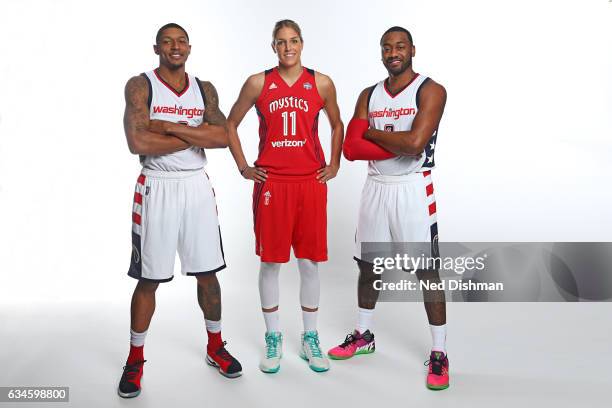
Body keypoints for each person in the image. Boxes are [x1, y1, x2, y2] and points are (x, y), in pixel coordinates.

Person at [118, 23, 242, 398]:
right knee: (149, 278)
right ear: (156, 47)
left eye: (181, 41)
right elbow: (137, 140)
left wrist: (167, 127)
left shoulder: (204, 89)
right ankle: (135, 358)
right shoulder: (141, 85)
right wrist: (193, 132)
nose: (175, 46)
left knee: (208, 274)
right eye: (168, 41)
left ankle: (215, 346)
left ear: (189, 47)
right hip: (157, 187)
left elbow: (223, 137)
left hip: (196, 187)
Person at [328, 26, 449, 390]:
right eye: (386, 47)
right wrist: (395, 142)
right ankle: (364, 335)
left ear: (412, 49)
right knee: (368, 267)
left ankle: (440, 353)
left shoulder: (431, 90)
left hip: (412, 188)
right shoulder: (369, 94)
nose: (393, 52)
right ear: (381, 53)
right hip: (376, 188)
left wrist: (373, 134)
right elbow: (350, 148)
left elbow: (414, 144)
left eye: (400, 46)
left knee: (426, 273)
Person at [226, 19, 343, 373]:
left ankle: (310, 338)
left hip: (310, 181)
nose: (288, 47)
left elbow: (338, 124)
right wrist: (245, 167)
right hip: (273, 183)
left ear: (302, 44)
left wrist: (333, 163)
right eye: (281, 42)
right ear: (273, 47)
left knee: (309, 262)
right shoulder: (258, 82)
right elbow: (230, 123)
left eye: (293, 41)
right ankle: (273, 337)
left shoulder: (320, 82)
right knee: (271, 263)